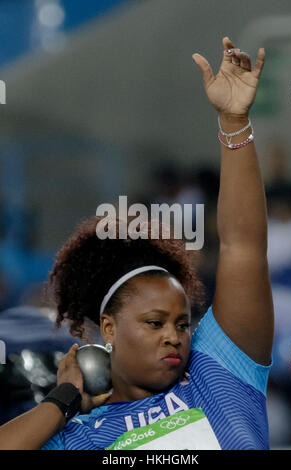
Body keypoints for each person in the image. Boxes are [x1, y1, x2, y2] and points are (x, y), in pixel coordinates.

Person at [0, 36, 274, 450]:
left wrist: (234, 123)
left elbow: (243, 247)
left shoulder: (220, 373)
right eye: (154, 322)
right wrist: (62, 401)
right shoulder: (76, 437)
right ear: (108, 328)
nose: (173, 337)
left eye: (182, 324)